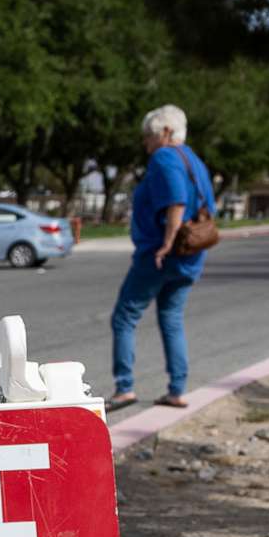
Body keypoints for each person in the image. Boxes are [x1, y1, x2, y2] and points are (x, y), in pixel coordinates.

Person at [107, 104, 215, 411]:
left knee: (125, 316)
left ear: (166, 132)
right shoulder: (194, 160)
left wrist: (166, 243)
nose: (145, 142)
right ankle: (176, 389)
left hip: (160, 255)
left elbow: (176, 203)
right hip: (191, 258)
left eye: (148, 135)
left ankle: (124, 387)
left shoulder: (165, 157)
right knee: (171, 319)